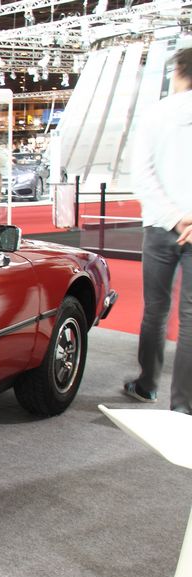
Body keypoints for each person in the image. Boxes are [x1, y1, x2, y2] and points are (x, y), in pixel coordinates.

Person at [124, 48, 192, 414]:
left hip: (160, 226)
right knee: (191, 318)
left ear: (180, 71)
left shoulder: (156, 114)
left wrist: (174, 217)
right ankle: (183, 406)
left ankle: (146, 385)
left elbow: (142, 175)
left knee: (156, 310)